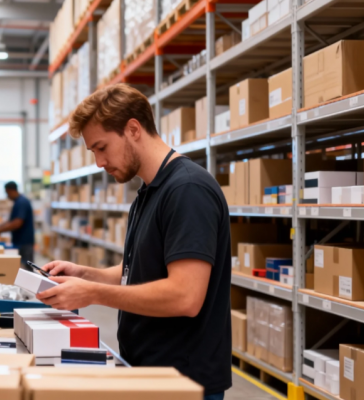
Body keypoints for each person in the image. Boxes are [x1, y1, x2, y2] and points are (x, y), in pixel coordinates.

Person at [36, 84, 232, 400]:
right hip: (148, 370)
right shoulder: (148, 192)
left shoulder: (188, 190)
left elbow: (185, 296)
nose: (99, 162)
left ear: (133, 129)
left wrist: (92, 293)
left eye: (102, 147)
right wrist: (85, 274)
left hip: (182, 382)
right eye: (93, 152)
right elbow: (140, 271)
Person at [0, 181, 35, 265]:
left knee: (27, 268)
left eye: (7, 193)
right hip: (20, 241)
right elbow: (12, 220)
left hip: (24, 242)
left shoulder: (22, 202)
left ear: (11, 190)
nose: (7, 195)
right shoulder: (18, 202)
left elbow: (17, 223)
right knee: (21, 267)